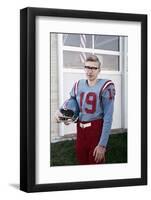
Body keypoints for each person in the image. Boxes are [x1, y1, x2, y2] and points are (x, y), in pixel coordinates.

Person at [55, 55, 115, 165]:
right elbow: (71, 102)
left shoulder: (106, 86)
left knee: (95, 163)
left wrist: (102, 144)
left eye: (93, 68)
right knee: (82, 163)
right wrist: (63, 114)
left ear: (99, 70)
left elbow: (108, 116)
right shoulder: (78, 84)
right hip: (81, 130)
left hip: (96, 129)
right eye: (87, 67)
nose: (90, 71)